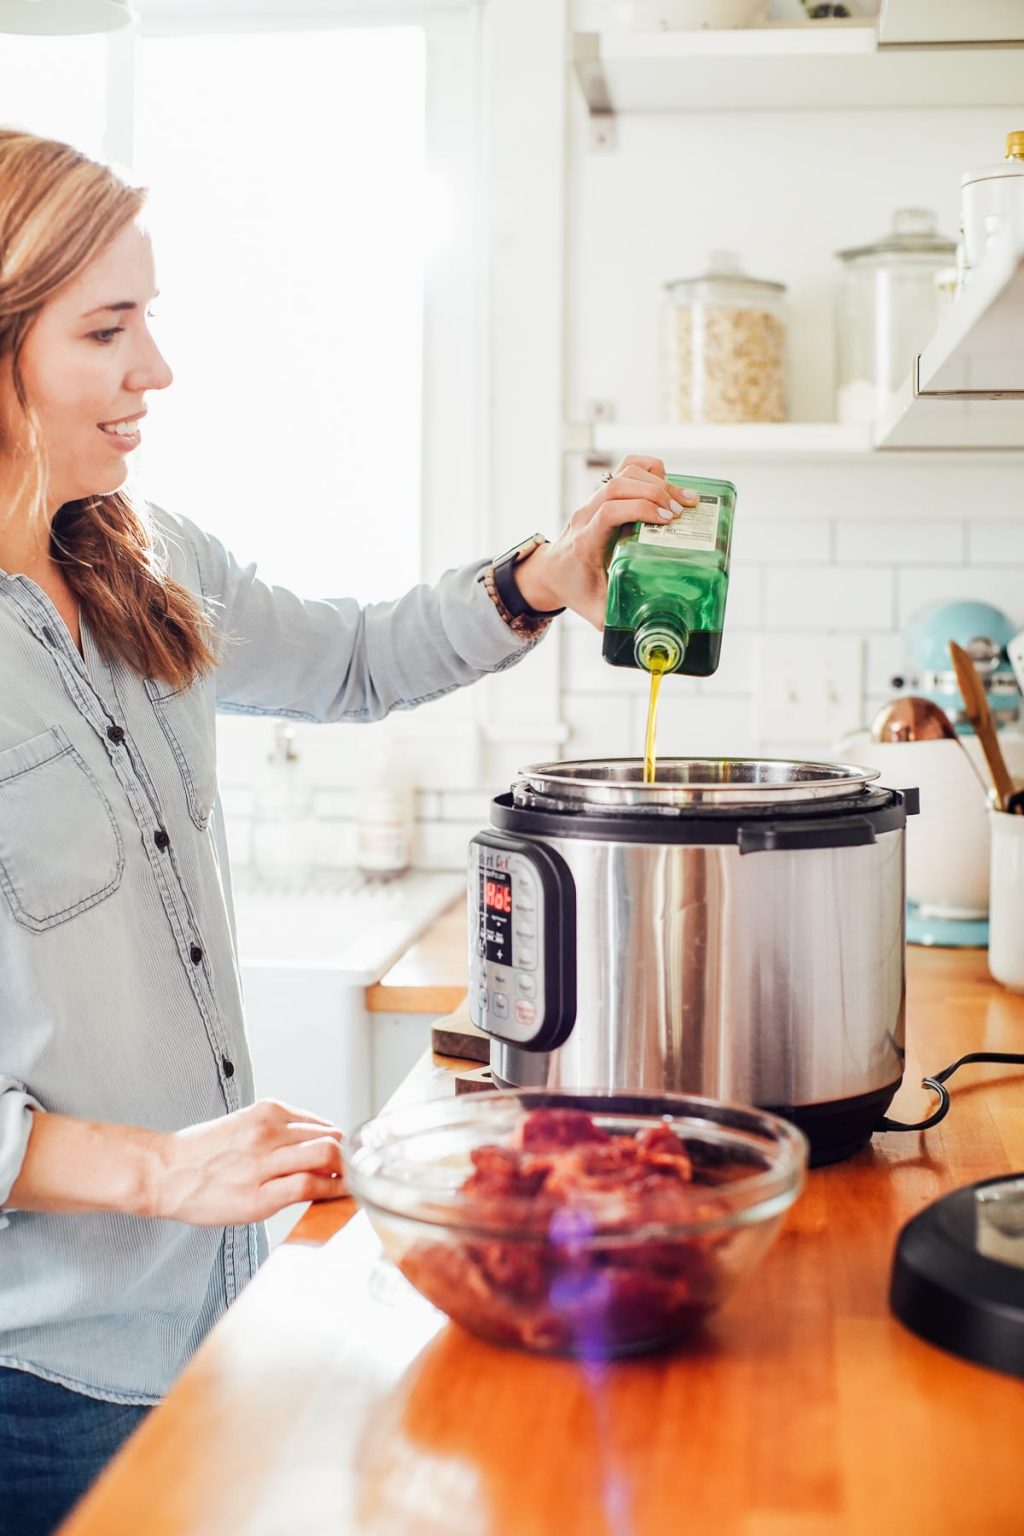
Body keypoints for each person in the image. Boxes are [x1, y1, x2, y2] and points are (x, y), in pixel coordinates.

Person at [0, 128, 697, 1536]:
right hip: (42, 1374)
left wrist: (547, 577)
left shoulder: (146, 557)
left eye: (154, 321)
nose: (157, 371)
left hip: (211, 1308)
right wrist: (156, 1167)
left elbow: (357, 658)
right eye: (108, 329)